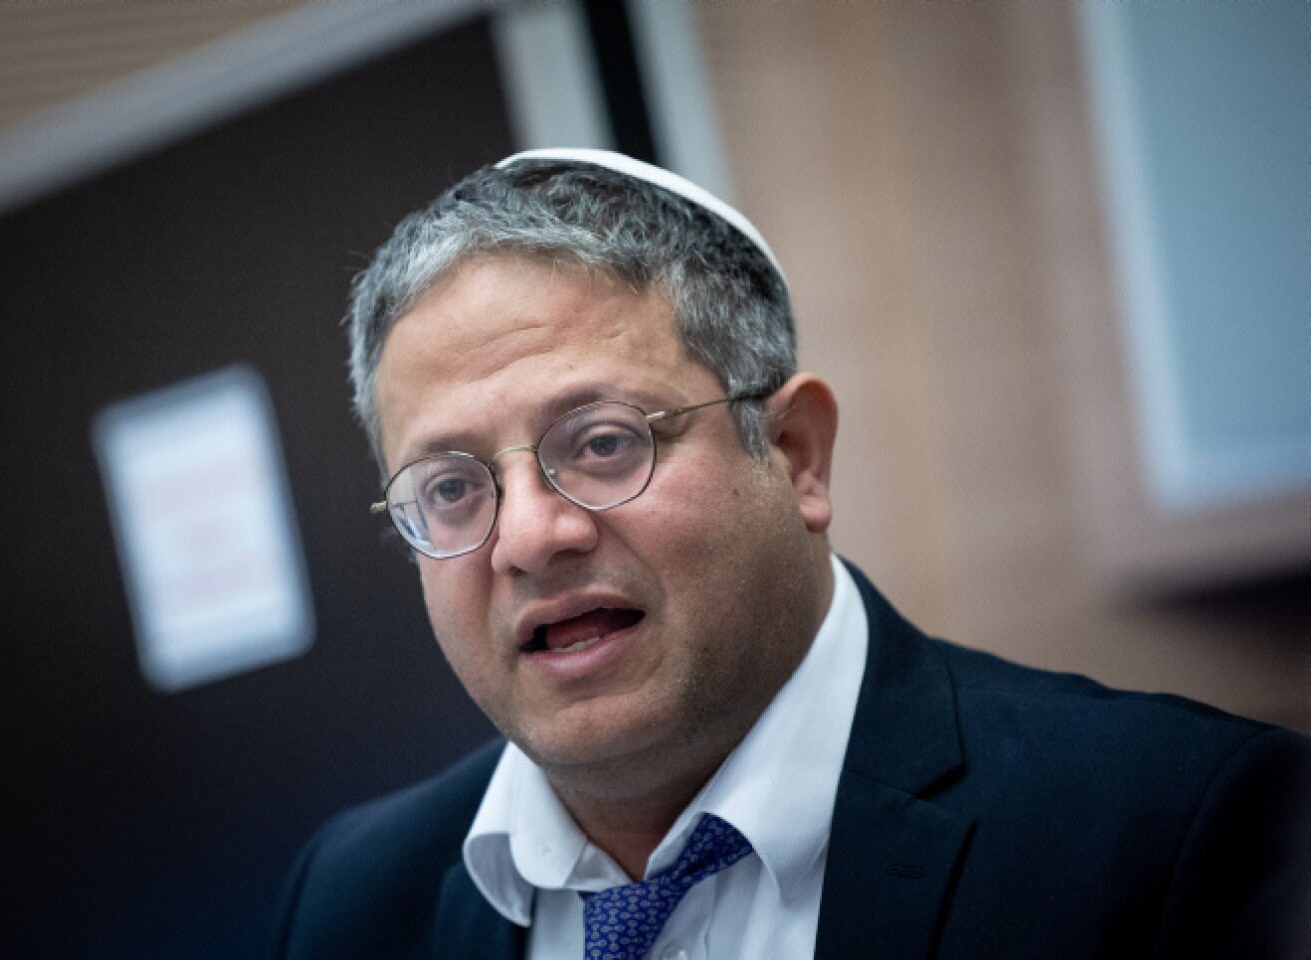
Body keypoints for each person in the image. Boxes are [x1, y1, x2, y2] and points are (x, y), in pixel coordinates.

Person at [272, 149, 1310, 960]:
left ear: (797, 457)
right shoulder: (352, 901)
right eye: (451, 489)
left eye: (602, 443)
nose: (532, 537)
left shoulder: (1178, 832)